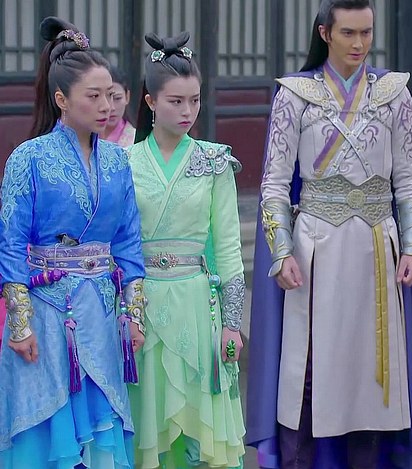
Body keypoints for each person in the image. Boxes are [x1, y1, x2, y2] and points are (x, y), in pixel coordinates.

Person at [247, 1, 412, 468]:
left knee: (373, 376)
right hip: (315, 246)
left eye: (366, 33)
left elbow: (409, 180)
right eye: (349, 33)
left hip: (377, 247)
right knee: (307, 371)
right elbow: (274, 183)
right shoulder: (295, 95)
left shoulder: (394, 93)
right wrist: (281, 251)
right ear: (325, 33)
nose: (359, 44)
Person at [0, 17, 146, 468]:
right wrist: (19, 323)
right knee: (50, 429)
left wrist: (134, 314)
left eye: (110, 96)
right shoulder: (28, 158)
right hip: (47, 316)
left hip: (101, 314)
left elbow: (129, 243)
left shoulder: (118, 161)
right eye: (93, 96)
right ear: (61, 99)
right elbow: (10, 243)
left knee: (102, 430)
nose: (106, 107)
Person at [127, 32, 246, 468]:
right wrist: (126, 311)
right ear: (150, 101)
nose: (187, 111)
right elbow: (121, 245)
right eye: (175, 101)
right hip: (143, 305)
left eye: (194, 101)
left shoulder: (214, 160)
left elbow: (228, 247)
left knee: (199, 435)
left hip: (198, 305)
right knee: (148, 420)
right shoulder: (124, 161)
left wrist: (232, 324)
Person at [102, 65, 136, 147]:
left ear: (127, 97)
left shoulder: (137, 141)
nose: (111, 108)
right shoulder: (83, 137)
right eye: (106, 99)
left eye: (117, 98)